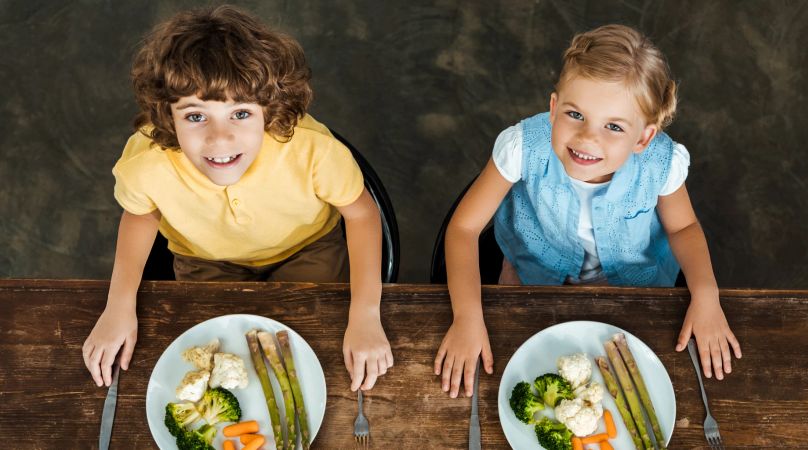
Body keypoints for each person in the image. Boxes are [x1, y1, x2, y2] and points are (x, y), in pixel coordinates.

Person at [81, 5, 392, 392]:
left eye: (240, 114)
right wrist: (118, 307)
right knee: (220, 363)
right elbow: (141, 215)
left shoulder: (314, 151)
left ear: (270, 108)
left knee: (308, 354)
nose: (220, 139)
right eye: (196, 117)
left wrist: (365, 315)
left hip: (308, 249)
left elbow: (361, 215)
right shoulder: (146, 164)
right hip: (205, 260)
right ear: (166, 116)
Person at [434, 24, 742, 398]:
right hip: (532, 280)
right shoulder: (522, 147)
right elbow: (463, 229)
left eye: (613, 126)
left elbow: (684, 229)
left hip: (634, 290)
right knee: (513, 372)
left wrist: (707, 297)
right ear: (552, 108)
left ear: (644, 137)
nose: (587, 138)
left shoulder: (661, 162)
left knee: (638, 389)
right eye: (574, 114)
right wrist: (467, 320)